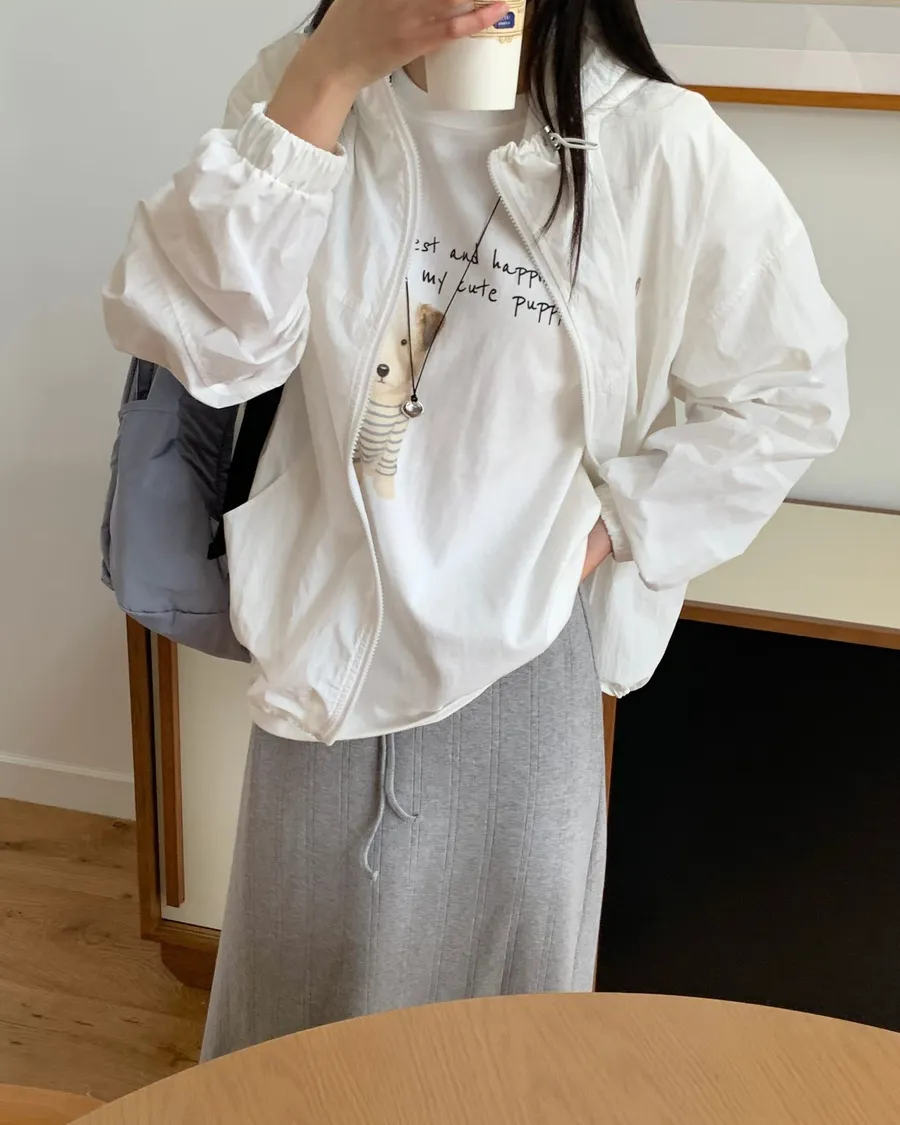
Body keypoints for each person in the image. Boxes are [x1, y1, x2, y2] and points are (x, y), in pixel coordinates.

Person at [103, 0, 848, 1059]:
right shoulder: (302, 86)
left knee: (496, 1053)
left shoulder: (649, 137)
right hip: (326, 646)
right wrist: (328, 73)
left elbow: (789, 389)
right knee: (293, 1042)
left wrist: (604, 533)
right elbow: (208, 349)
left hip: (522, 665)